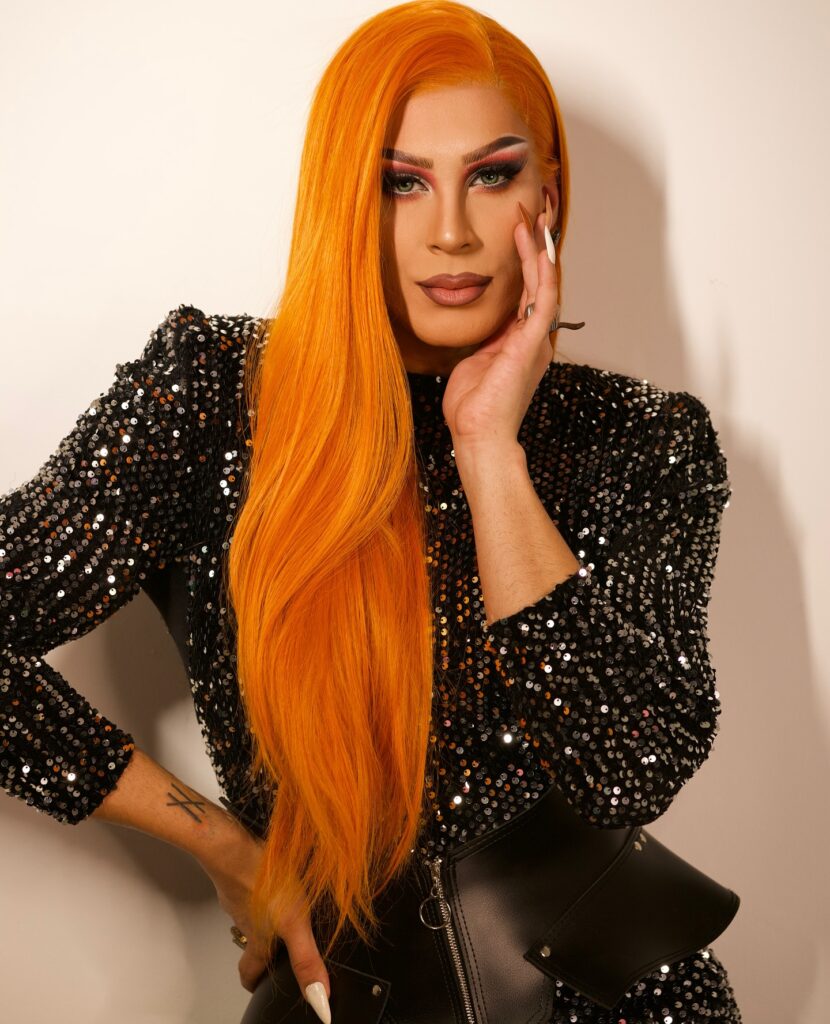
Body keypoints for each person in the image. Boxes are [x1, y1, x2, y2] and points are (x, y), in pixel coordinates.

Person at [0, 1, 743, 1021]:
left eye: (491, 175)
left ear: (547, 195)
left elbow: (629, 772)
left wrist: (488, 448)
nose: (450, 230)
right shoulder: (213, 394)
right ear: (341, 198)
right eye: (401, 182)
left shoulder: (642, 437)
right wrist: (224, 846)